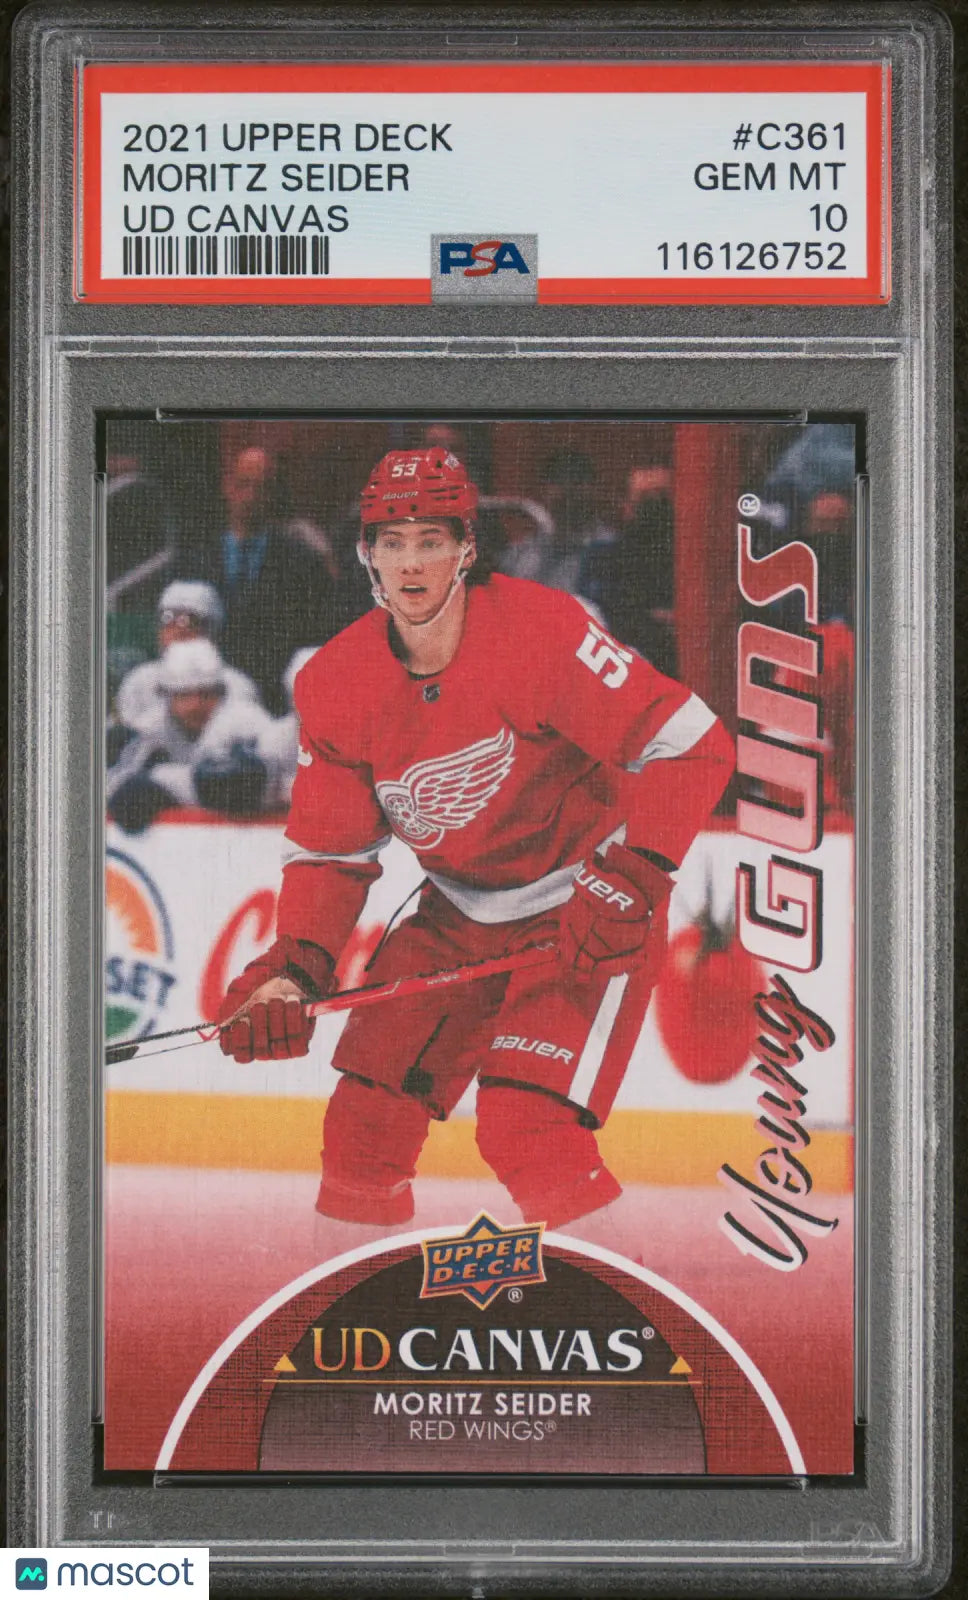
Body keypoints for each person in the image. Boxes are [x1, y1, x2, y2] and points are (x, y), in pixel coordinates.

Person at [217, 448, 734, 1258]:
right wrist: (296, 969)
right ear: (366, 554)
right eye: (392, 542)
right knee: (364, 1121)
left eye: (431, 540)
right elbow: (330, 856)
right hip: (457, 909)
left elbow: (695, 744)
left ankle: (627, 1314)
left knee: (527, 1127)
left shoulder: (543, 632)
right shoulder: (335, 681)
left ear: (467, 548)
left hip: (586, 904)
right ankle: (347, 1312)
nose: (410, 563)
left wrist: (635, 876)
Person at [186, 445, 342, 711]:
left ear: (273, 494)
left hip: (276, 699)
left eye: (262, 488)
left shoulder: (302, 562)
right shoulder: (195, 558)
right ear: (227, 486)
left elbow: (317, 636)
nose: (251, 496)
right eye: (243, 484)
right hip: (207, 699)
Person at [108, 639, 284, 832]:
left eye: (205, 694)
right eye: (184, 695)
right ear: (166, 695)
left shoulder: (248, 721)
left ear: (221, 693)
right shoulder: (149, 726)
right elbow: (114, 787)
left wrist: (163, 781)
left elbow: (252, 785)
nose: (194, 705)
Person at [114, 580, 261, 732]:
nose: (178, 629)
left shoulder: (237, 686)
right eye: (167, 618)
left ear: (212, 629)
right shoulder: (139, 681)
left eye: (190, 620)